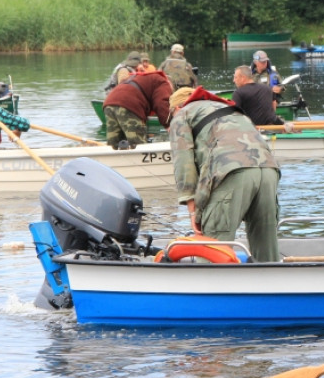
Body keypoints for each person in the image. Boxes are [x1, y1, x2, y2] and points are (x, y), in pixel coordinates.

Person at [168, 86, 281, 263]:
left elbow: (184, 163)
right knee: (267, 252)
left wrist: (193, 212)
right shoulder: (228, 109)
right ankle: (274, 279)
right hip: (269, 169)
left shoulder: (182, 114)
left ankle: (212, 280)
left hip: (231, 171)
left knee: (213, 250)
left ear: (176, 107)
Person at [102, 71, 174, 148]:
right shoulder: (163, 82)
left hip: (109, 102)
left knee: (113, 145)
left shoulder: (143, 78)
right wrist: (169, 124)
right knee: (138, 145)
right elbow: (161, 104)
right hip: (128, 104)